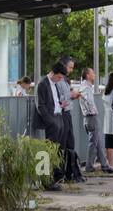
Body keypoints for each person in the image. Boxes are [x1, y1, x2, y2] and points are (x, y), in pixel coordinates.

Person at [34, 62, 69, 190]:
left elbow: (52, 101)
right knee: (47, 151)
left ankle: (54, 178)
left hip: (58, 116)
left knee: (56, 150)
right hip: (50, 121)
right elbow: (41, 106)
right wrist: (51, 121)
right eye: (59, 77)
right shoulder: (42, 84)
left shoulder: (54, 84)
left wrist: (60, 104)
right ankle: (45, 181)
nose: (60, 80)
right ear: (53, 73)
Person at [78, 67, 113, 173]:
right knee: (93, 143)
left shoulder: (84, 86)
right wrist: (93, 110)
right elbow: (88, 99)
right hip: (91, 117)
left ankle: (105, 165)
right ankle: (89, 166)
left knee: (97, 142)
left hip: (88, 118)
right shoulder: (86, 87)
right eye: (92, 73)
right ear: (87, 75)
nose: (94, 75)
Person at [55, 57, 86, 183]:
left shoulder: (65, 80)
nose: (71, 70)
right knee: (62, 144)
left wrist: (73, 96)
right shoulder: (58, 80)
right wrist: (70, 95)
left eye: (72, 68)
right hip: (62, 113)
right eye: (69, 67)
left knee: (70, 143)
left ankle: (70, 171)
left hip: (67, 112)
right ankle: (60, 173)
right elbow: (58, 97)